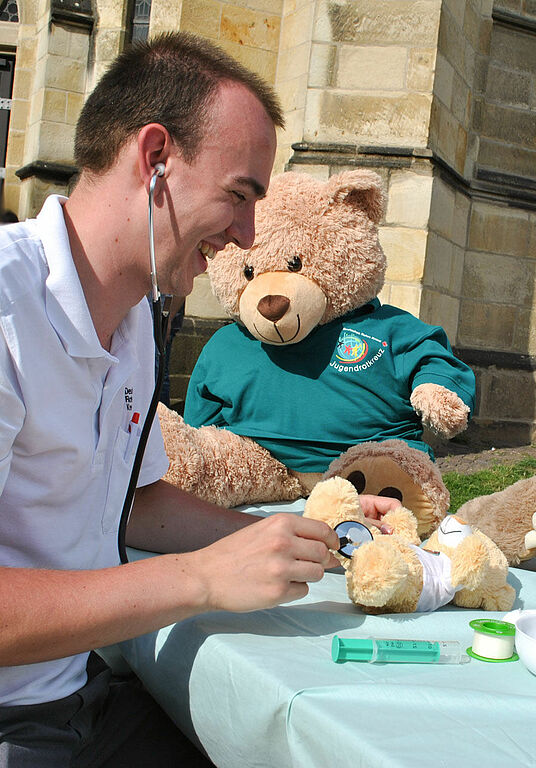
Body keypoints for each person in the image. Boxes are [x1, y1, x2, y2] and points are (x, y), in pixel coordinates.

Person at [0, 33, 397, 766]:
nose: (246, 236)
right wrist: (201, 580)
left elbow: (135, 501)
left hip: (82, 694)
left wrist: (322, 534)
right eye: (240, 195)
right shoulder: (4, 306)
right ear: (154, 159)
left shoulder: (138, 324)